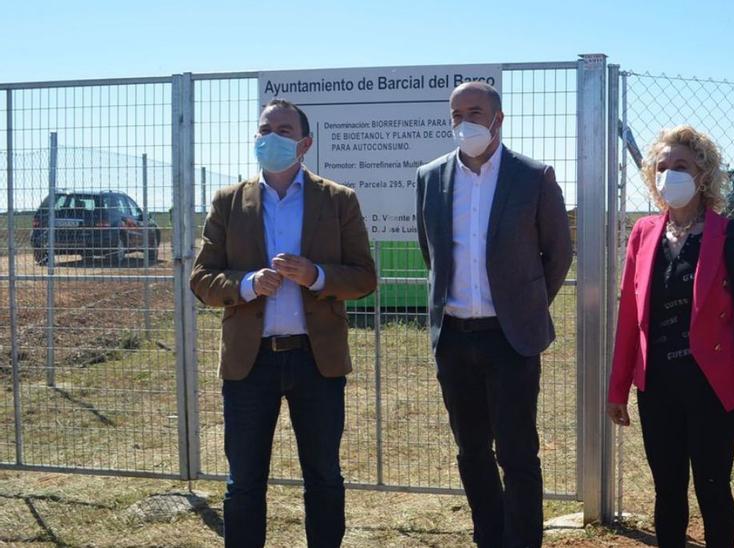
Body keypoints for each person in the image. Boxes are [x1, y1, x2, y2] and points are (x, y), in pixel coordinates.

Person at [190, 99, 377, 548]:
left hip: (317, 360)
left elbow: (365, 277)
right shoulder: (229, 202)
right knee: (244, 482)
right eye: (264, 129)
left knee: (324, 477)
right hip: (250, 364)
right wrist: (250, 284)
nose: (271, 137)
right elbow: (201, 279)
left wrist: (316, 275)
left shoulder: (338, 200)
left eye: (283, 130)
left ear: (305, 143)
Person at [415, 82, 572, 548]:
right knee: (471, 451)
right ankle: (489, 536)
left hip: (510, 339)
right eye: (457, 113)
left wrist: (523, 306)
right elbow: (433, 252)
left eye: (476, 112)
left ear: (498, 119)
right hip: (456, 338)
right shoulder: (431, 177)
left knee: (518, 452)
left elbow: (558, 253)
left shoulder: (533, 177)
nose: (466, 122)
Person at [606, 126, 734, 548]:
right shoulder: (643, 233)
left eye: (680, 165)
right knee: (667, 492)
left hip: (713, 387)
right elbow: (630, 316)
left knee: (713, 489)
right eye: (662, 167)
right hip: (657, 384)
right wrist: (617, 389)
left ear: (703, 172)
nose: (669, 175)